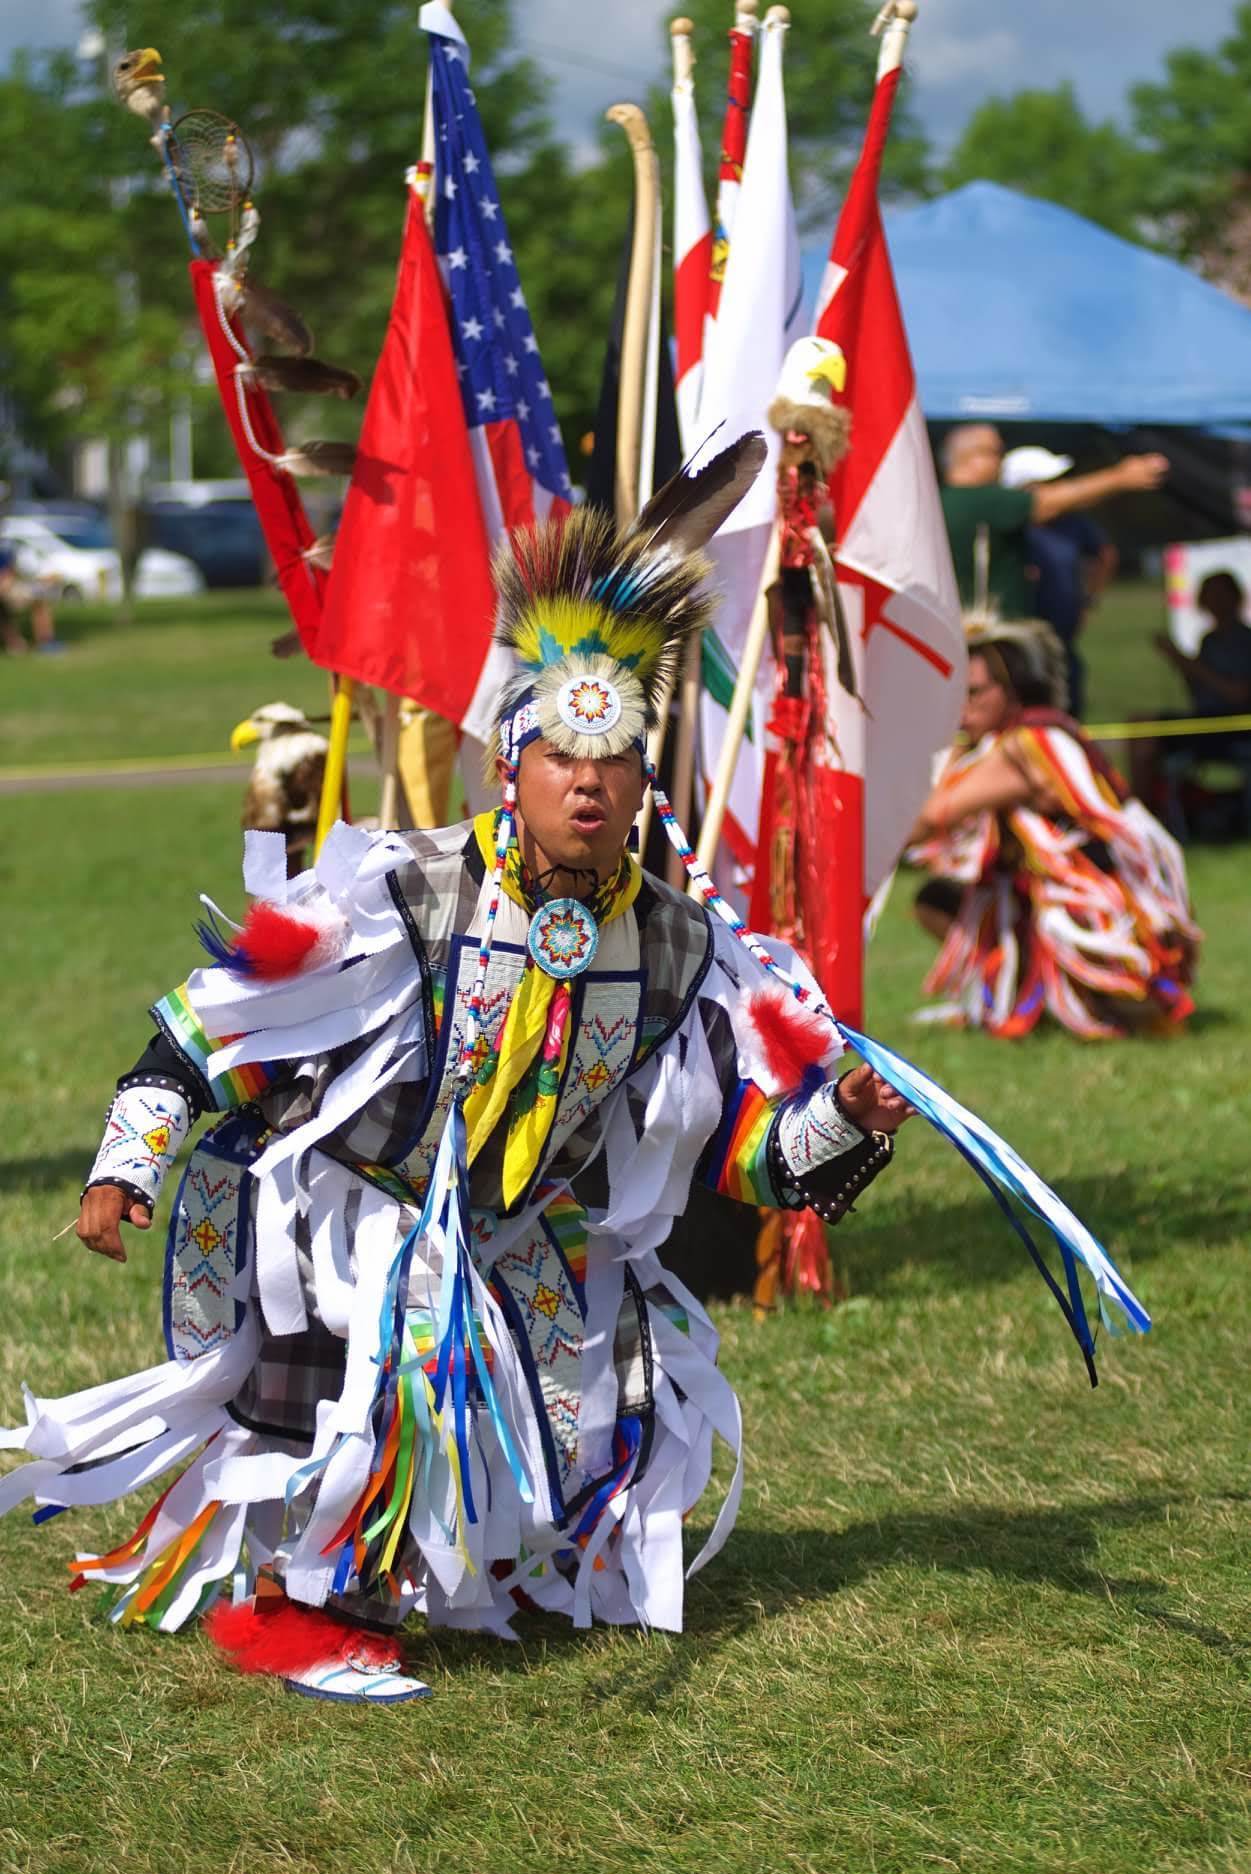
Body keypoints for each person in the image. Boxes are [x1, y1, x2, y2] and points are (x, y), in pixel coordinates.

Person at [1, 440, 1146, 1707]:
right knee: (371, 1391)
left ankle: (470, 1569)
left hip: (521, 1228)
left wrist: (846, 1119)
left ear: (648, 785)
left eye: (615, 767)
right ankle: (295, 1611)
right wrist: (130, 1165)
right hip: (361, 1212)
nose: (589, 786)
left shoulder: (676, 945)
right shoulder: (403, 891)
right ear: (514, 767)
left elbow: (743, 1157)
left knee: (604, 1412)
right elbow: (215, 1023)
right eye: (563, 761)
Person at [911, 621, 1199, 1040]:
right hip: (1102, 908)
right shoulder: (1043, 731)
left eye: (973, 694)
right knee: (937, 899)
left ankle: (1100, 1000)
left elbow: (933, 818)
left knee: (1058, 924)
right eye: (955, 696)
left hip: (1102, 919)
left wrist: (953, 744)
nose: (962, 709)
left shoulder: (1024, 746)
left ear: (1014, 690)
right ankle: (1024, 995)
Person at [939, 426, 1166, 623]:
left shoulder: (945, 501)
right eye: (996, 452)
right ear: (970, 456)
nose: (1001, 460)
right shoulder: (982, 499)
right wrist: (1121, 476)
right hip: (991, 633)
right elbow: (1045, 503)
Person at [1000, 446, 1118, 720]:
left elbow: (1104, 555)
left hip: (1063, 645)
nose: (1062, 489)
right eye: (1049, 484)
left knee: (1067, 717)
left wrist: (1089, 601)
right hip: (1017, 647)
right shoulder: (1007, 529)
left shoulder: (1073, 523)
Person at [1138, 570, 1251, 836]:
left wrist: (1186, 662)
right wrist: (1181, 665)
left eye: (1220, 595)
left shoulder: (1246, 641)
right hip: (1205, 722)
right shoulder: (1209, 641)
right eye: (1209, 596)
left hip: (1234, 727)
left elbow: (1237, 694)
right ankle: (1145, 815)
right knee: (1141, 726)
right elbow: (1200, 694)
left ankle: (1145, 815)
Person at [0, 547, 64, 655]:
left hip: (7, 590)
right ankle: (16, 643)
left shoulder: (5, 551)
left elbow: (7, 579)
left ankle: (45, 642)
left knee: (39, 600)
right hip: (5, 590)